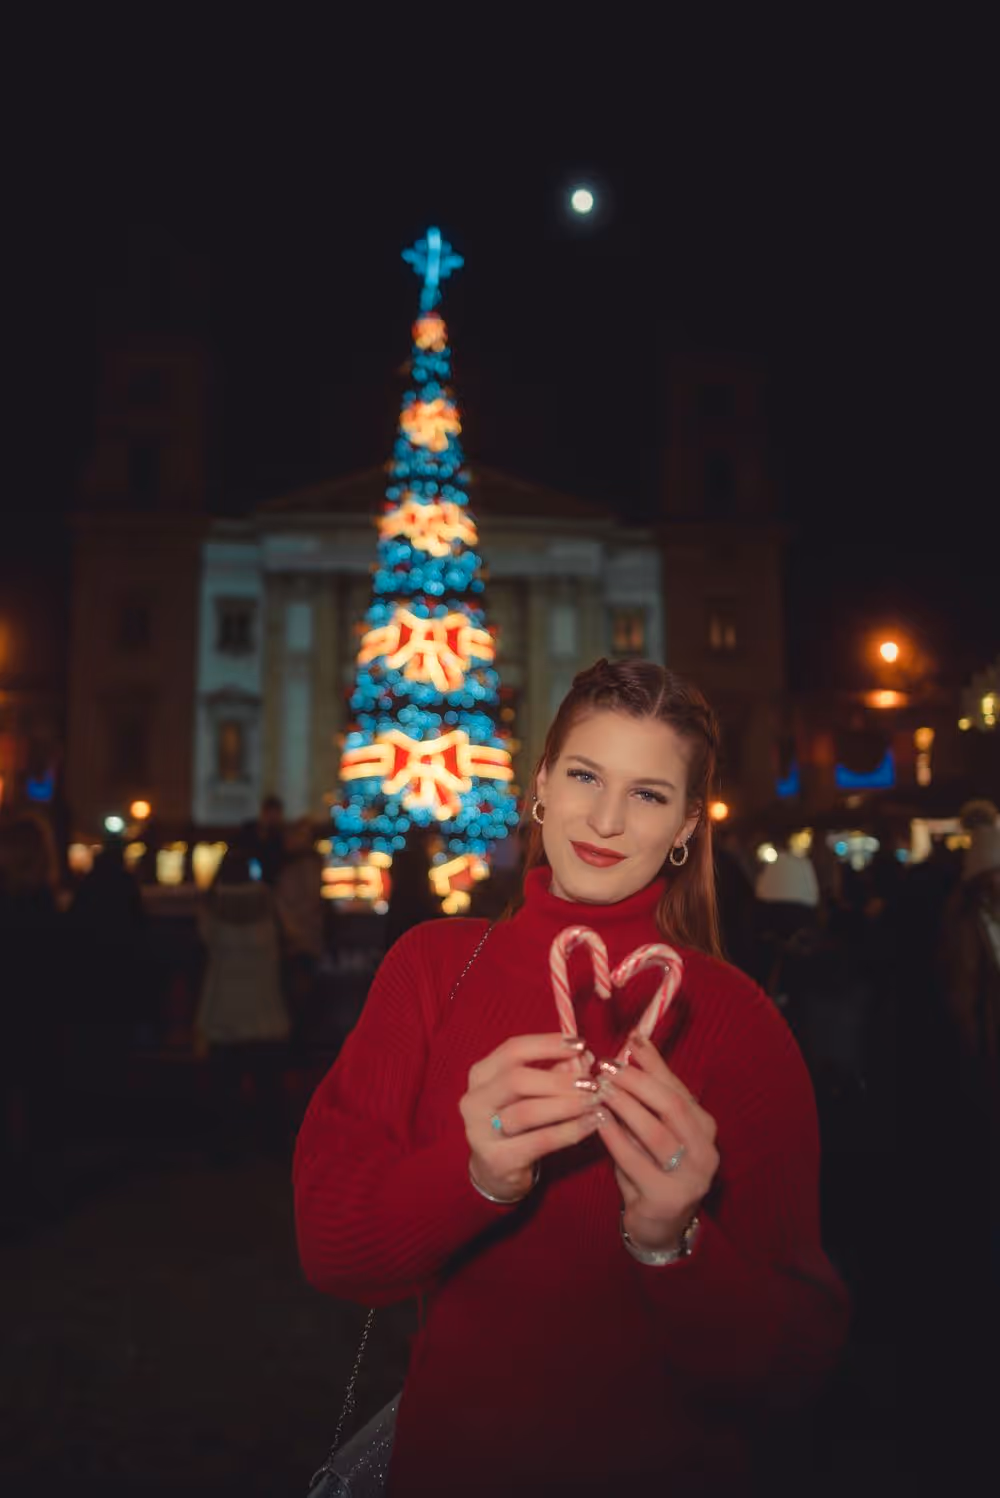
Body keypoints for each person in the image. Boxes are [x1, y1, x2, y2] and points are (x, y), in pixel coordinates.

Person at [293, 660, 850, 1497]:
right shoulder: (432, 966)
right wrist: (475, 1177)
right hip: (450, 1468)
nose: (606, 818)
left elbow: (795, 1367)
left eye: (650, 795)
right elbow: (332, 1248)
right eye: (586, 775)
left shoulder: (736, 1019)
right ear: (542, 785)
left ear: (688, 826)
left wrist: (673, 1241)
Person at [196, 847, 291, 1161]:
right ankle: (271, 1145)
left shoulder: (213, 905)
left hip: (224, 1007)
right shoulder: (267, 903)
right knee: (268, 1087)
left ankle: (226, 1147)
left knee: (225, 1087)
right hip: (265, 1007)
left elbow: (205, 942)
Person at [0, 814, 63, 1189]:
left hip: (14, 1012)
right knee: (39, 1099)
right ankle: (36, 1182)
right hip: (37, 1015)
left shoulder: (14, 904)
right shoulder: (44, 905)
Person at [240, 793, 286, 885]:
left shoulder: (279, 836)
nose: (272, 818)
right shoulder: (249, 831)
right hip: (248, 879)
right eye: (270, 814)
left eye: (275, 814)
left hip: (272, 881)